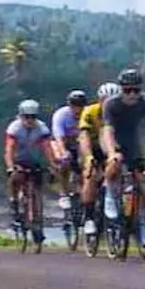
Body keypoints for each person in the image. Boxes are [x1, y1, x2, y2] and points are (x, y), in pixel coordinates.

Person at [98, 68, 145, 227]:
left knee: (139, 174)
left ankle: (141, 217)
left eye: (136, 90)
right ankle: (110, 194)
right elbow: (108, 130)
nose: (132, 94)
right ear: (121, 89)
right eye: (127, 90)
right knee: (115, 162)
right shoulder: (111, 103)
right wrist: (111, 153)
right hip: (112, 137)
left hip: (131, 139)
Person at [3, 98, 56, 245]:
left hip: (35, 161)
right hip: (18, 160)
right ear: (20, 116)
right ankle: (14, 205)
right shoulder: (14, 128)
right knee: (15, 177)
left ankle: (37, 221)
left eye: (33, 117)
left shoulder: (42, 128)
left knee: (37, 189)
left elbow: (47, 148)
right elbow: (9, 149)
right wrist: (10, 166)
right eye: (27, 116)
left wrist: (52, 165)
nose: (30, 120)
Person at [77, 81, 116, 236]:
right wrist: (88, 157)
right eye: (106, 100)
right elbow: (84, 136)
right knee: (90, 174)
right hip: (91, 146)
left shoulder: (120, 112)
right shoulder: (89, 111)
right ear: (100, 100)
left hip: (111, 146)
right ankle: (88, 218)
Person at [49, 89, 90, 222]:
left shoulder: (87, 114)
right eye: (74, 106)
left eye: (80, 106)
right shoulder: (61, 115)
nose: (77, 109)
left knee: (86, 165)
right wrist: (64, 152)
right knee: (62, 160)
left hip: (79, 144)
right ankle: (63, 192)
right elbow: (58, 137)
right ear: (69, 105)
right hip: (62, 143)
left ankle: (84, 195)